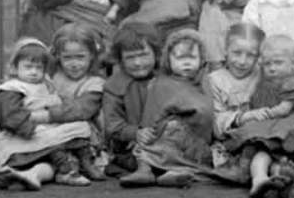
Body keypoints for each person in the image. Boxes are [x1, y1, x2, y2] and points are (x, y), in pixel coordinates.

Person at [0, 38, 94, 190]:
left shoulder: (46, 85)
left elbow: (57, 103)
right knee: (53, 149)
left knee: (77, 131)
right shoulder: (13, 88)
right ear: (15, 67)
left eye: (38, 68)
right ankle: (64, 170)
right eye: (28, 67)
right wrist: (30, 129)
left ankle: (25, 175)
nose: (33, 72)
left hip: (48, 130)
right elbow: (10, 116)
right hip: (25, 133)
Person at [223, 35, 294, 197]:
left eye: (278, 63)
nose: (272, 68)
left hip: (288, 127)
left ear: (293, 63)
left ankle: (277, 175)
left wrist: (266, 114)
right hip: (269, 130)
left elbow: (284, 108)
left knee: (281, 153)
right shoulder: (262, 83)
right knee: (261, 150)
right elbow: (256, 104)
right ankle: (259, 178)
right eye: (267, 63)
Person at [119, 29, 214, 187]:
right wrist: (147, 130)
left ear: (201, 59)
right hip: (161, 134)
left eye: (192, 58)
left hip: (193, 142)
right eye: (180, 58)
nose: (186, 63)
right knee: (145, 145)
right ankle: (145, 170)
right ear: (168, 60)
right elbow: (153, 111)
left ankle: (174, 174)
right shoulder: (161, 83)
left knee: (176, 131)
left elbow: (206, 112)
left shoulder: (204, 84)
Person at [47, 23, 108, 181]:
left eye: (80, 57)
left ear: (92, 55)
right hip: (54, 127)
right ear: (58, 56)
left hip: (83, 131)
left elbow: (82, 110)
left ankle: (78, 164)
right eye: (67, 58)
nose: (74, 64)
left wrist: (46, 114)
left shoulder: (94, 82)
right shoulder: (55, 76)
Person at [102, 22, 163, 178]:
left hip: (165, 140)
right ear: (120, 60)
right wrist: (135, 133)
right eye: (130, 57)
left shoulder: (166, 78)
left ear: (155, 53)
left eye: (143, 55)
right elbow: (112, 124)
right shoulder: (114, 85)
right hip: (130, 146)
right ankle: (146, 169)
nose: (138, 63)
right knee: (136, 155)